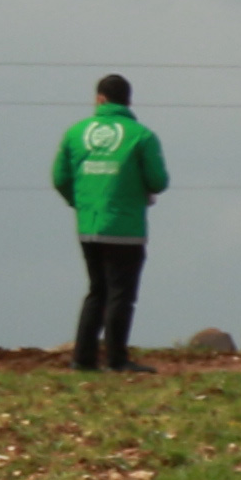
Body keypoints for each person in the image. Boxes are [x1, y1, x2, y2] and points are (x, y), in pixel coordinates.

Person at [53, 74, 168, 373]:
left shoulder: (75, 133)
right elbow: (158, 181)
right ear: (128, 101)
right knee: (121, 294)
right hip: (125, 227)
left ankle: (83, 359)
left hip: (89, 226)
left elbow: (60, 178)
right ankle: (117, 360)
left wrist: (81, 201)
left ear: (99, 98)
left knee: (97, 291)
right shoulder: (141, 136)